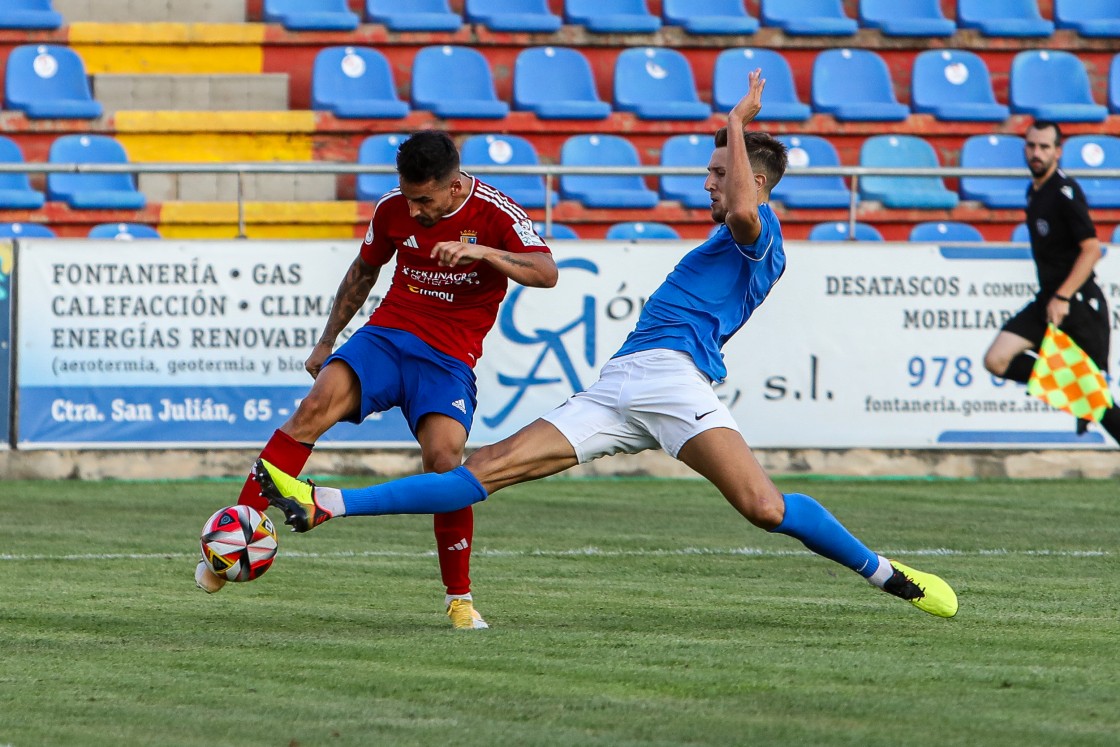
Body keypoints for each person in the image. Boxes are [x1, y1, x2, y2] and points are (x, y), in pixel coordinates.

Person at [253, 71, 959, 620]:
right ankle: (326, 504)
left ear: (757, 178)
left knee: (765, 508)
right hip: (623, 382)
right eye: (712, 169)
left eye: (717, 171)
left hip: (674, 381)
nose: (707, 181)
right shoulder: (725, 240)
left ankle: (883, 571)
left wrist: (735, 124)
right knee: (484, 469)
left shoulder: (760, 234)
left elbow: (744, 203)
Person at [195, 130, 559, 631]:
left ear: (454, 187)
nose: (413, 212)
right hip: (387, 336)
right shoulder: (393, 208)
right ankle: (235, 538)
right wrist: (326, 342)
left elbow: (546, 272)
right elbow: (363, 273)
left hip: (448, 360)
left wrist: (486, 255)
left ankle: (459, 600)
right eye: (408, 198)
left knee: (445, 464)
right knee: (311, 410)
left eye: (424, 201)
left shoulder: (498, 213)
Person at [982, 119, 1120, 443]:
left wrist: (1063, 297)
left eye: (1044, 147)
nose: (1036, 153)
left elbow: (1091, 250)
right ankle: (1074, 395)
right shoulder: (1034, 192)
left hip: (1078, 303)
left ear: (1057, 152)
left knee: (1098, 402)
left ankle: (1079, 397)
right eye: (1031, 146)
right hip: (1049, 299)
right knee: (997, 360)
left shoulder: (1065, 191)